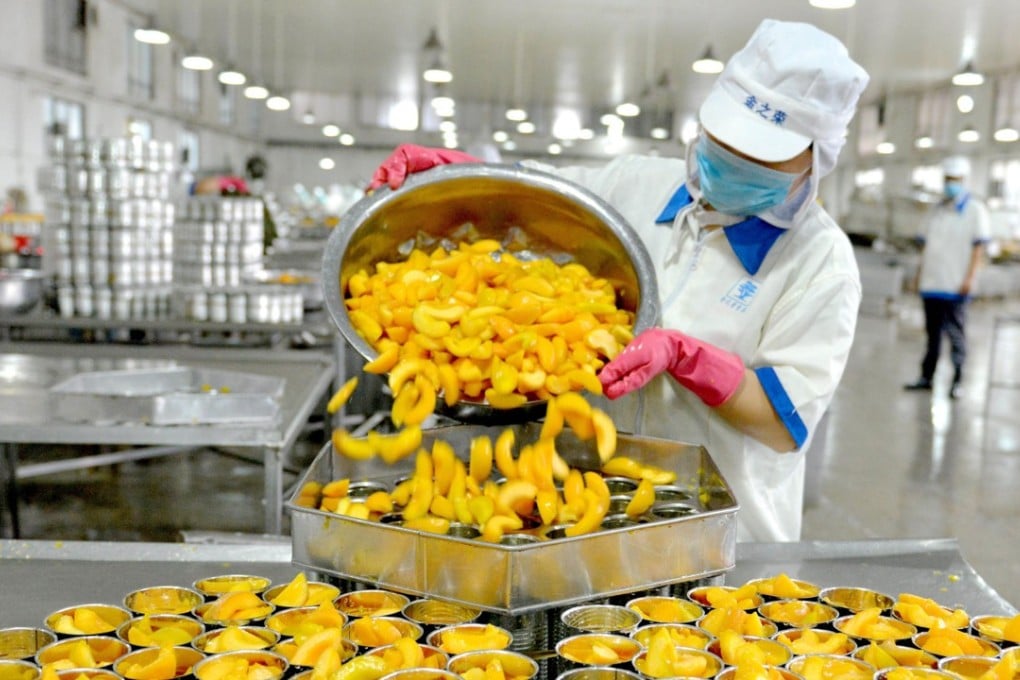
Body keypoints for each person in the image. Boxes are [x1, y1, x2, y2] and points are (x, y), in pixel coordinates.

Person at [367, 18, 869, 542]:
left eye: (758, 155)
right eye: (723, 143)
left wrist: (688, 358)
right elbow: (532, 196)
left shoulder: (819, 263)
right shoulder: (636, 183)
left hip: (717, 532)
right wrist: (458, 172)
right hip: (578, 514)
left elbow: (782, 421)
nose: (733, 161)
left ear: (816, 158)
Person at [903, 156, 989, 399]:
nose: (951, 184)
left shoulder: (975, 210)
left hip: (956, 286)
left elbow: (978, 248)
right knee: (932, 336)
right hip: (932, 284)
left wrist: (970, 279)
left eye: (956, 180)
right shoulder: (935, 211)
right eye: (948, 179)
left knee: (956, 335)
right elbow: (925, 247)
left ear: (964, 180)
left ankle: (957, 381)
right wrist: (919, 276)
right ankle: (926, 378)